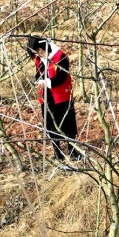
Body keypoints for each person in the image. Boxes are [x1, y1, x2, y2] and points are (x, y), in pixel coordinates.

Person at [26, 35, 84, 163]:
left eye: (38, 51)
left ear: (42, 48)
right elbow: (39, 73)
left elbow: (62, 77)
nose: (38, 55)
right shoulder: (39, 59)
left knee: (67, 123)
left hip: (61, 95)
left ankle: (72, 149)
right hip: (47, 96)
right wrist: (40, 82)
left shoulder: (60, 57)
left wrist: (46, 82)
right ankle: (57, 151)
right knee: (51, 123)